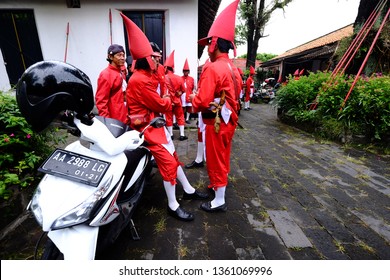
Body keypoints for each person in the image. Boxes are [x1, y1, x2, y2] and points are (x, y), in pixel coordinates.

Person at [121, 13, 208, 222]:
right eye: (152, 57)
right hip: (146, 128)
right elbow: (160, 104)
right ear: (144, 60)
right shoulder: (140, 80)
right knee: (169, 163)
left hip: (153, 124)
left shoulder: (144, 76)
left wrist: (165, 96)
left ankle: (187, 189)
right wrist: (167, 98)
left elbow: (160, 94)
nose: (155, 60)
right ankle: (172, 204)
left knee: (174, 158)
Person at [189, 0, 241, 213]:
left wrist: (192, 99)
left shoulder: (213, 68)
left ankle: (219, 199)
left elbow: (201, 102)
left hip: (217, 121)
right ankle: (218, 186)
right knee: (223, 155)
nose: (206, 47)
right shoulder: (233, 67)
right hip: (229, 120)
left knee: (215, 157)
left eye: (208, 43)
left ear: (214, 44)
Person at [95, 44, 128, 123]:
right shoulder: (105, 74)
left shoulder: (121, 72)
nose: (122, 58)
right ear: (110, 57)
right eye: (119, 55)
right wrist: (107, 122)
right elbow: (101, 101)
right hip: (115, 119)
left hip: (125, 116)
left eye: (123, 55)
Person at [164, 50, 188, 141]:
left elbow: (163, 92)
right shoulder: (179, 78)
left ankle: (170, 135)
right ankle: (182, 134)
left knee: (169, 118)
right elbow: (183, 90)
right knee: (180, 117)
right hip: (177, 101)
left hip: (168, 102)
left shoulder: (164, 78)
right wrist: (179, 93)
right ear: (172, 68)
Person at [181, 59, 195, 124]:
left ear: (188, 71)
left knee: (189, 107)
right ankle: (183, 118)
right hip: (183, 95)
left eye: (187, 71)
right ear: (183, 71)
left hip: (189, 94)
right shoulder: (180, 78)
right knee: (183, 107)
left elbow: (193, 87)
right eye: (184, 71)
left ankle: (187, 118)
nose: (185, 72)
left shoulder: (191, 79)